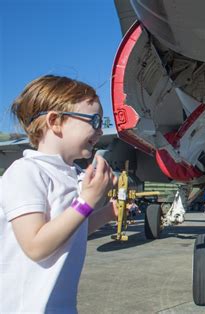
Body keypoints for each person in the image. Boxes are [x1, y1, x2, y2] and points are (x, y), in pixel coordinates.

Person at [0, 75, 118, 313]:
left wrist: (106, 214)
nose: (100, 129)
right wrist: (86, 201)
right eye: (93, 120)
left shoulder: (70, 175)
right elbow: (36, 246)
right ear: (55, 121)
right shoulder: (26, 172)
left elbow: (69, 233)